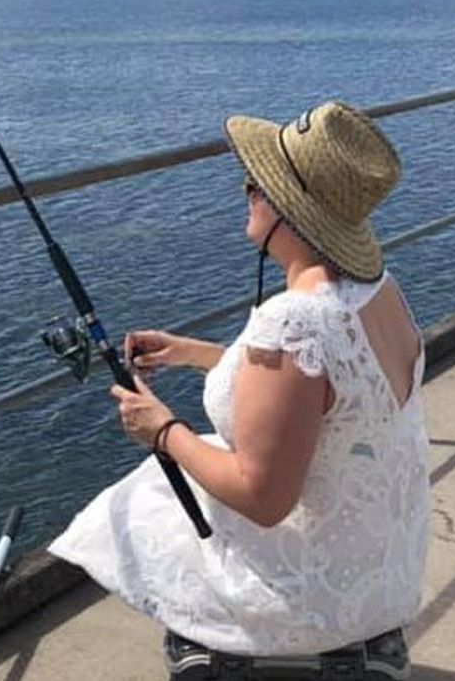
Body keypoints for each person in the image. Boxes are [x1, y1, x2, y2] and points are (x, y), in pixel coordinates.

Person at [48, 101, 430, 681]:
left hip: (318, 598)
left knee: (125, 511)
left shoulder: (294, 323)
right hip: (382, 568)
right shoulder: (378, 292)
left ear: (287, 210)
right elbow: (321, 396)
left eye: (257, 184)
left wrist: (162, 431)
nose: (246, 191)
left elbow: (264, 498)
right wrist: (192, 353)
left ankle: (223, 654)